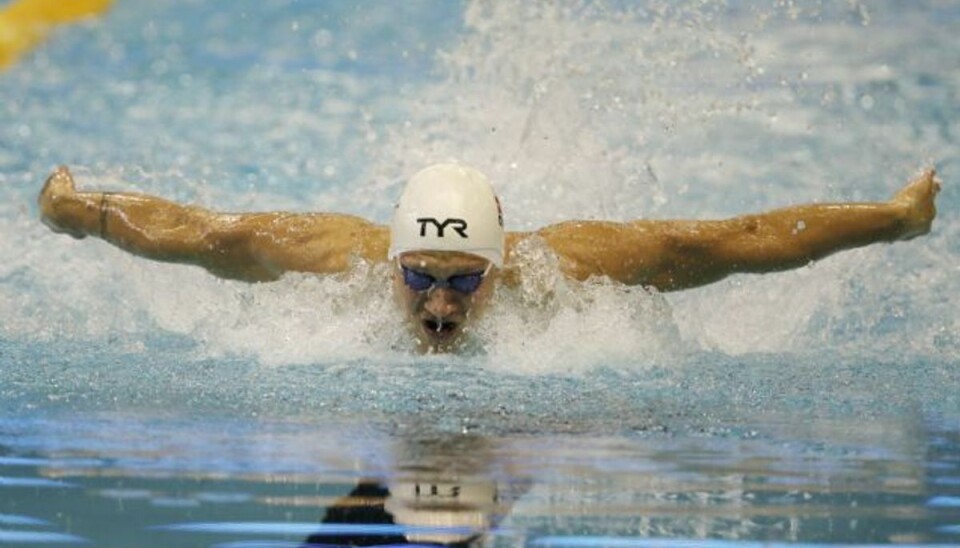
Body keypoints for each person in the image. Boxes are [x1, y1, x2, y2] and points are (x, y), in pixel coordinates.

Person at [38, 163, 940, 352]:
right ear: (389, 263)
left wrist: (891, 221)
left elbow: (733, 243)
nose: (440, 307)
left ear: (501, 266)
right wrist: (80, 212)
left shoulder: (570, 271)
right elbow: (202, 233)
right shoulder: (331, 260)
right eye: (421, 279)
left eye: (465, 280)